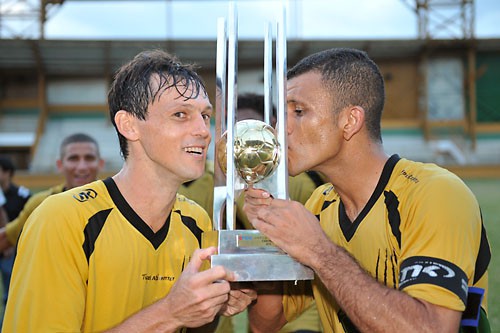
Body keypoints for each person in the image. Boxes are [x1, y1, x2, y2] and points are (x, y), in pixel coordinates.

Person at [3, 49, 255, 332]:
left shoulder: (195, 220)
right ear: (129, 125)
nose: (203, 130)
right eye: (180, 114)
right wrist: (170, 313)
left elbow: (189, 321)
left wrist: (210, 306)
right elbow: (173, 315)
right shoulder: (61, 219)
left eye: (205, 115)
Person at [243, 48, 491, 333]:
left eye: (298, 111)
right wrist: (265, 256)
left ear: (350, 121)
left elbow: (431, 328)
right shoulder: (319, 205)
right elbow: (266, 323)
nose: (279, 128)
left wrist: (319, 251)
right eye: (279, 115)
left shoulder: (435, 194)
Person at [179, 92, 324, 333]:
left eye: (254, 140)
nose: (244, 147)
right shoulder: (199, 184)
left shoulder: (297, 184)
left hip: (294, 311)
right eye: (237, 135)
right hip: (223, 308)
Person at [0, 133, 104, 253]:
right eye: (73, 158)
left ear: (100, 163)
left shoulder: (113, 201)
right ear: (60, 165)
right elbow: (7, 238)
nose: (81, 166)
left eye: (89, 158)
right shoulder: (40, 203)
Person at [0, 156, 31, 318]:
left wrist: (12, 244)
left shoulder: (23, 194)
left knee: (11, 288)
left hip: (12, 249)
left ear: (8, 173)